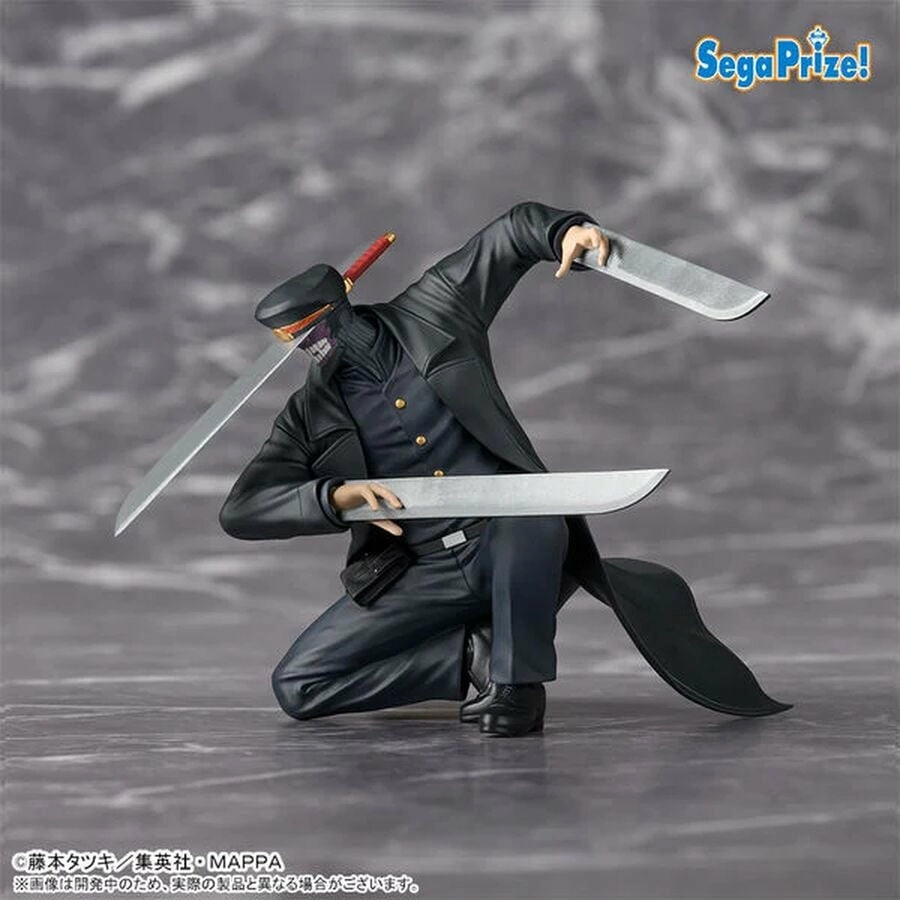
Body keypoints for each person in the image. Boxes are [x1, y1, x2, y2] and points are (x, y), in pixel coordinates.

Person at [219, 201, 788, 737]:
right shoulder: (311, 413)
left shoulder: (434, 312)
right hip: (422, 570)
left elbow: (509, 235)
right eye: (294, 341)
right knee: (298, 685)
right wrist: (333, 498)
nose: (309, 347)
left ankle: (517, 687)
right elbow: (242, 509)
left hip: (510, 534)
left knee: (530, 512)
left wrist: (561, 232)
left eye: (311, 330)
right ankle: (475, 656)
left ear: (336, 311)